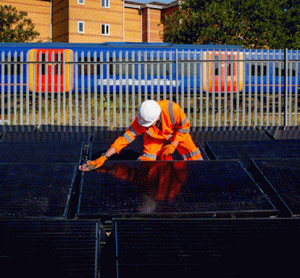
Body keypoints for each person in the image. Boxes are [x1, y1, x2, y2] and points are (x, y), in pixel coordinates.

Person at [79, 99, 203, 172]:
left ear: (158, 117)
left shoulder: (172, 109)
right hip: (155, 137)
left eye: (150, 124)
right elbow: (125, 138)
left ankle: (202, 174)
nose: (147, 126)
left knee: (193, 154)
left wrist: (174, 144)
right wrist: (104, 157)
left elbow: (185, 127)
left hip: (178, 134)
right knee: (147, 161)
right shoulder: (143, 119)